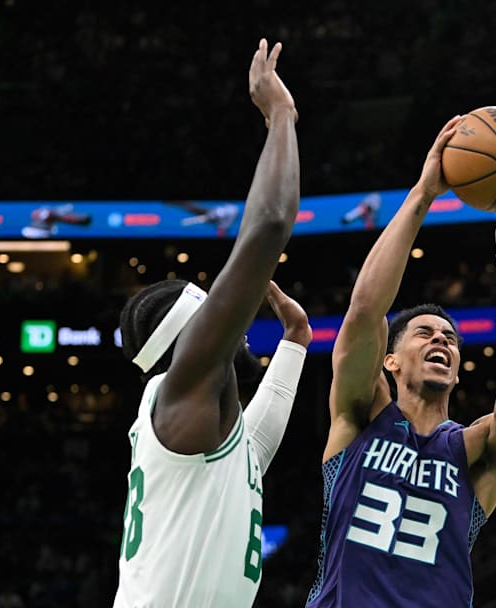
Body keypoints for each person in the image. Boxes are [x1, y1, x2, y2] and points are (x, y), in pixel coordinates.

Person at [306, 117, 496, 607]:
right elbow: (365, 311)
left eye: (449, 337)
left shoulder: (476, 450)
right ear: (391, 361)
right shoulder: (359, 418)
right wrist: (424, 194)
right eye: (424, 333)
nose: (440, 340)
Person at [113, 38, 309, 607]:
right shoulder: (182, 394)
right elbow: (270, 223)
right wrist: (281, 116)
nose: (237, 323)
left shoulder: (202, 425)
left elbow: (257, 448)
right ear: (193, 336)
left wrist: (295, 344)